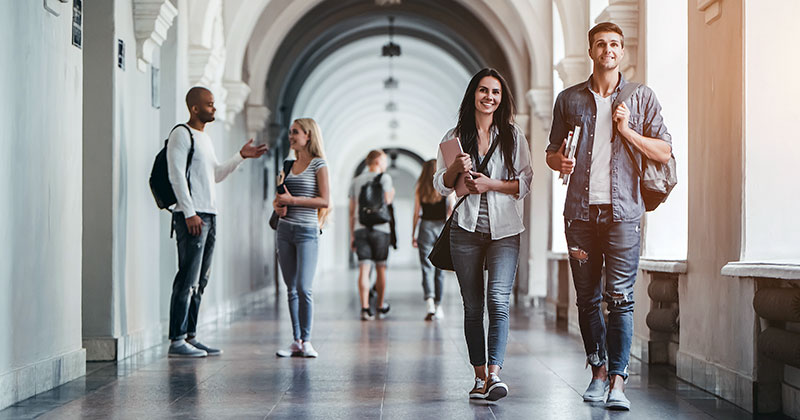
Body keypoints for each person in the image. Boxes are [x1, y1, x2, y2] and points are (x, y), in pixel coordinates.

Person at [546, 22, 672, 411]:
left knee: (620, 299)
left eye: (615, 44)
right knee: (587, 299)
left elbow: (664, 152)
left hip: (624, 215)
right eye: (601, 44)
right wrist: (559, 160)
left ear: (622, 52)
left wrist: (627, 131)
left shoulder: (641, 98)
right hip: (580, 217)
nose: (609, 50)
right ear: (591, 51)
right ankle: (597, 373)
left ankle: (618, 381)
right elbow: (551, 151)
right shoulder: (569, 100)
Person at [433, 68, 533, 402]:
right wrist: (455, 168)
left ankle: (494, 374)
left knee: (498, 301)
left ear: (502, 99)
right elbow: (441, 186)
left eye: (495, 92)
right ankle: (478, 377)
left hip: (505, 230)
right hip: (466, 229)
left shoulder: (514, 136)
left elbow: (525, 183)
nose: (489, 97)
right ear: (473, 95)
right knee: (473, 306)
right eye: (482, 91)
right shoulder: (454, 136)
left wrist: (491, 184)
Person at [166, 86, 268, 358]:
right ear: (194, 108)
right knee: (187, 278)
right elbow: (176, 176)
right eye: (210, 104)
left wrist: (240, 156)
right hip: (192, 216)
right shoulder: (181, 134)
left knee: (201, 280)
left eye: (214, 103)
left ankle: (191, 335)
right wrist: (189, 213)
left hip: (209, 214)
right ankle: (176, 340)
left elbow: (217, 175)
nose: (214, 108)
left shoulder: (205, 139)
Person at [273, 118, 330, 358]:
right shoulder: (286, 165)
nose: (291, 136)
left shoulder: (319, 165)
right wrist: (278, 206)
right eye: (290, 132)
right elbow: (279, 198)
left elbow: (325, 201)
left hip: (307, 231)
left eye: (295, 132)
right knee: (291, 289)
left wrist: (293, 201)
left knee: (304, 288)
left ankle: (307, 340)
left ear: (308, 135)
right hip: (284, 230)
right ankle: (295, 340)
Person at [349, 150, 395, 321]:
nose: (385, 164)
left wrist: (352, 235)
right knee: (381, 268)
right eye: (384, 160)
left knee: (364, 269)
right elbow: (387, 201)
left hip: (360, 228)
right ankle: (380, 305)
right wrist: (392, 192)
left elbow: (352, 210)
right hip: (381, 229)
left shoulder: (356, 181)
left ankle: (365, 308)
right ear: (376, 161)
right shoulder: (385, 178)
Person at [412, 159, 452, 321]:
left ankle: (429, 302)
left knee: (426, 267)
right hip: (441, 228)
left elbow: (416, 213)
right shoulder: (444, 186)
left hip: (425, 228)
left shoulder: (420, 187)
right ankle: (438, 305)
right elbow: (451, 209)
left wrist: (413, 234)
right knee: (439, 269)